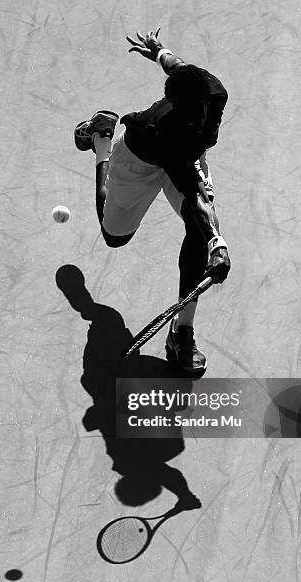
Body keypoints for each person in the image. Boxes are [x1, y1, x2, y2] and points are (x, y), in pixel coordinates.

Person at [74, 27, 231, 374]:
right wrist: (217, 241)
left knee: (198, 230)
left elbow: (179, 67)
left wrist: (160, 51)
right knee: (114, 236)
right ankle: (102, 141)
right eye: (179, 108)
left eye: (190, 108)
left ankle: (183, 332)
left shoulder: (211, 88)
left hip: (188, 158)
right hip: (140, 160)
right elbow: (192, 193)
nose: (187, 114)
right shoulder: (167, 127)